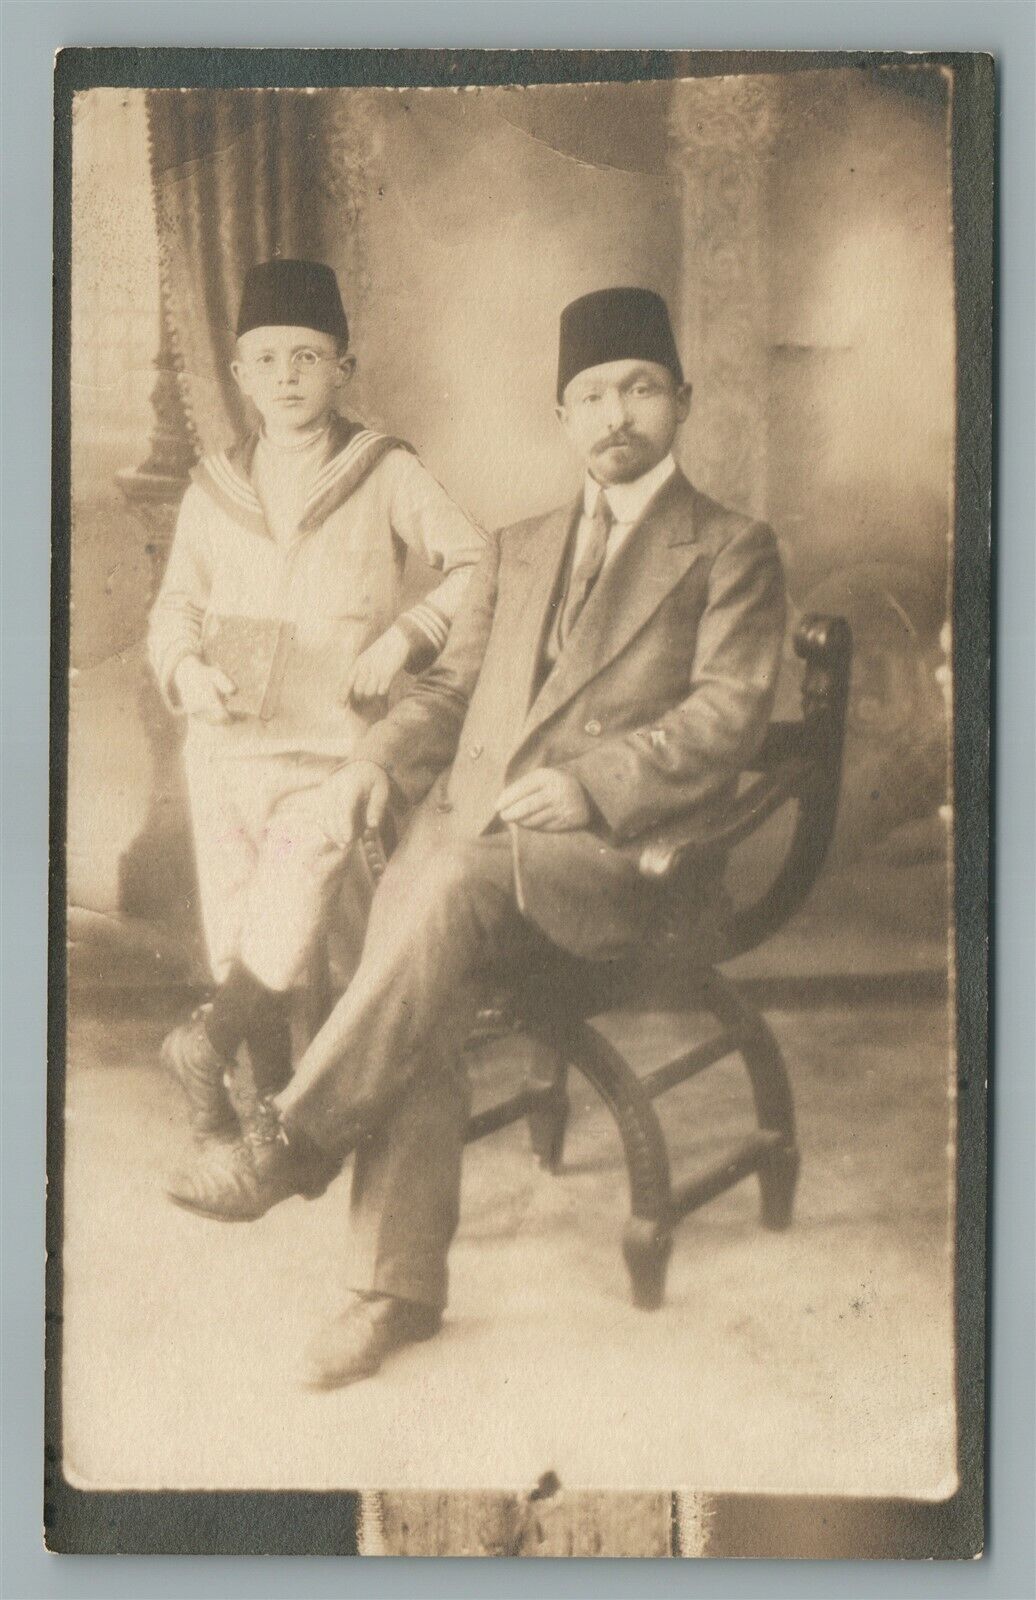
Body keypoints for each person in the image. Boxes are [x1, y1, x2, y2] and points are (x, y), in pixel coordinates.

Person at [168, 286, 788, 1390]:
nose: (617, 415)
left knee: (433, 887)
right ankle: (390, 1293)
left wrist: (590, 785)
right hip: (476, 857)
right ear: (561, 416)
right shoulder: (517, 545)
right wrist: (372, 760)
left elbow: (725, 716)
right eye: (591, 394)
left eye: (640, 389)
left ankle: (288, 1146)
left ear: (681, 402)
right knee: (410, 919)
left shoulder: (731, 549)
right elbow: (448, 691)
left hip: (622, 864)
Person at [148, 258, 484, 1145]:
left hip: (333, 746)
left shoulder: (383, 471)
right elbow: (176, 604)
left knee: (293, 890)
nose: (287, 377)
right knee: (240, 923)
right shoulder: (212, 487)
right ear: (238, 375)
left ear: (345, 367)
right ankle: (264, 1100)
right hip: (224, 741)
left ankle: (205, 1045)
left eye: (308, 356)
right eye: (266, 359)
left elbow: (482, 564)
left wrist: (407, 635)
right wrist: (185, 668)